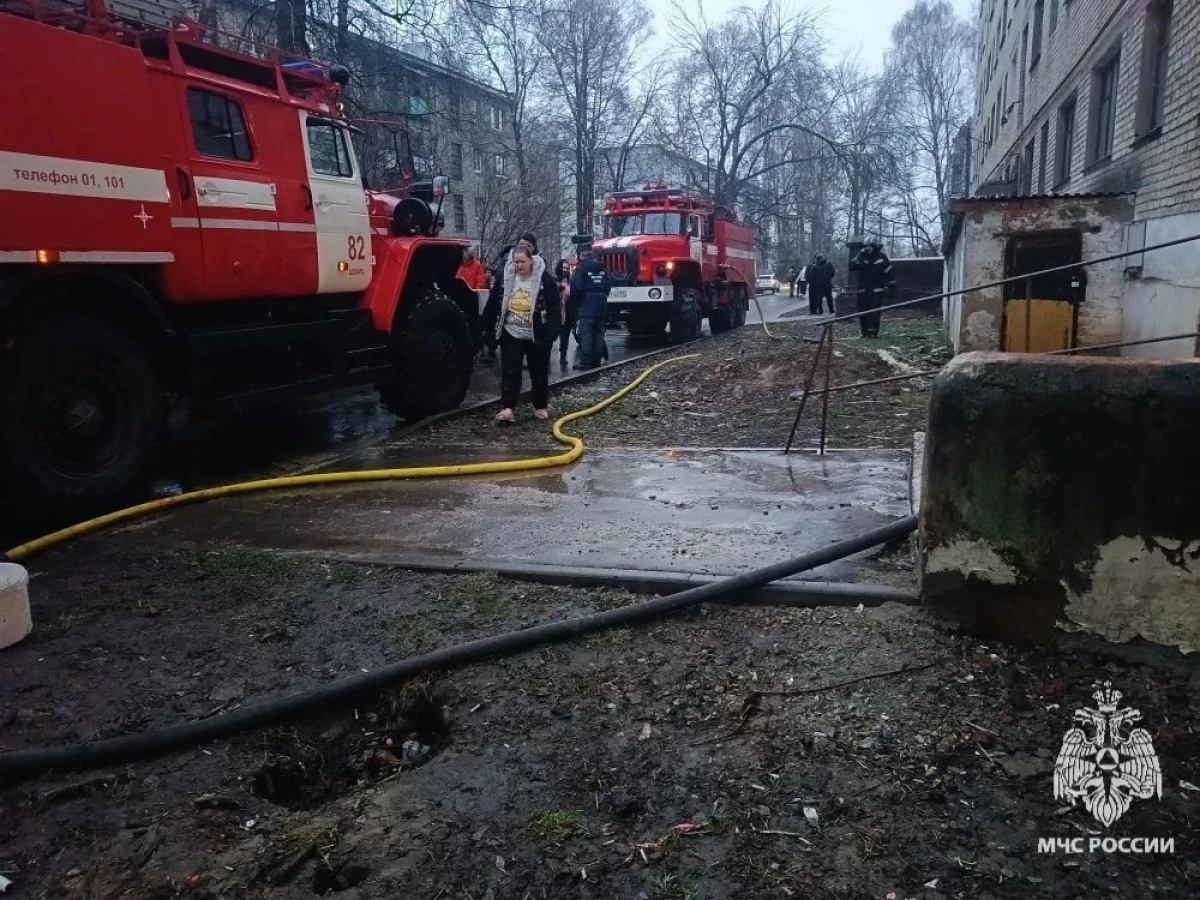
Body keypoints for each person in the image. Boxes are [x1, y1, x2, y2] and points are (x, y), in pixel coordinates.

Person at [481, 245, 561, 423]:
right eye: (516, 262)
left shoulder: (544, 279)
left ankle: (540, 406)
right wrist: (485, 326)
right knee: (510, 370)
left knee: (538, 371)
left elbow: (554, 305)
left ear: (531, 260)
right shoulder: (505, 277)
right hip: (511, 330)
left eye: (522, 261)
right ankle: (508, 408)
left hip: (536, 332)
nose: (519, 265)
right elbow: (494, 300)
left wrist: (552, 332)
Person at [570, 247, 611, 370]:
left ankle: (586, 362)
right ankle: (596, 361)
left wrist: (578, 303)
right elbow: (608, 286)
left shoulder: (581, 268)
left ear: (582, 255)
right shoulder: (602, 267)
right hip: (602, 304)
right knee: (599, 333)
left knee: (586, 333)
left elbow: (576, 287)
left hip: (587, 304)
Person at [849, 241, 896, 338]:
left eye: (868, 247)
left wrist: (891, 285)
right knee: (862, 311)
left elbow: (889, 272)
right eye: (865, 247)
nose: (867, 248)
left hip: (876, 290)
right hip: (862, 290)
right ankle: (864, 332)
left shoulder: (881, 257)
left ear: (873, 247)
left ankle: (873, 332)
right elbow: (852, 266)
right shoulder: (861, 257)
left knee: (874, 312)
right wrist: (861, 254)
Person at [554, 259, 576, 367]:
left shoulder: (571, 282)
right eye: (563, 267)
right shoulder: (553, 280)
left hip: (567, 313)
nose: (565, 270)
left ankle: (563, 356)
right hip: (555, 313)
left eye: (567, 268)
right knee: (551, 336)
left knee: (565, 336)